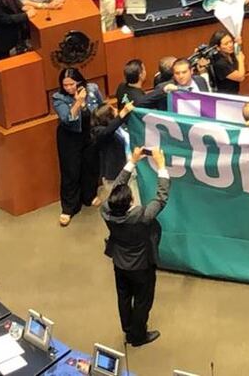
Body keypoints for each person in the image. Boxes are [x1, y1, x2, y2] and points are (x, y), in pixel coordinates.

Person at [102, 146, 170, 347]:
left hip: (119, 263)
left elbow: (116, 187)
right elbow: (161, 197)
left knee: (123, 297)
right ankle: (138, 336)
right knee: (142, 301)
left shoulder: (106, 210)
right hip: (141, 267)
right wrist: (162, 165)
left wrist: (132, 161)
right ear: (131, 201)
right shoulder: (141, 216)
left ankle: (128, 328)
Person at [52, 68, 106, 226]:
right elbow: (67, 119)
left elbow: (100, 108)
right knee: (71, 171)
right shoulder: (58, 98)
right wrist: (78, 102)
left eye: (72, 84)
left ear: (79, 81)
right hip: (70, 138)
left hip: (89, 134)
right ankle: (69, 207)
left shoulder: (92, 89)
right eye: (65, 85)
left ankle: (89, 196)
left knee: (90, 165)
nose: (69, 88)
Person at [88, 100, 136, 199]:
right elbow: (107, 132)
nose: (116, 110)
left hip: (130, 167)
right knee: (118, 202)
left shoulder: (120, 126)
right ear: (107, 116)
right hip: (115, 174)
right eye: (113, 109)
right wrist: (122, 114)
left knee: (133, 199)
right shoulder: (98, 131)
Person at [209, 30, 246, 94]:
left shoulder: (230, 54)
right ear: (218, 47)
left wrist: (239, 45)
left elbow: (237, 53)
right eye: (226, 44)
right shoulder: (219, 63)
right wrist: (241, 61)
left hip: (235, 92)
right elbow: (240, 77)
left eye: (231, 41)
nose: (230, 45)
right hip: (226, 96)